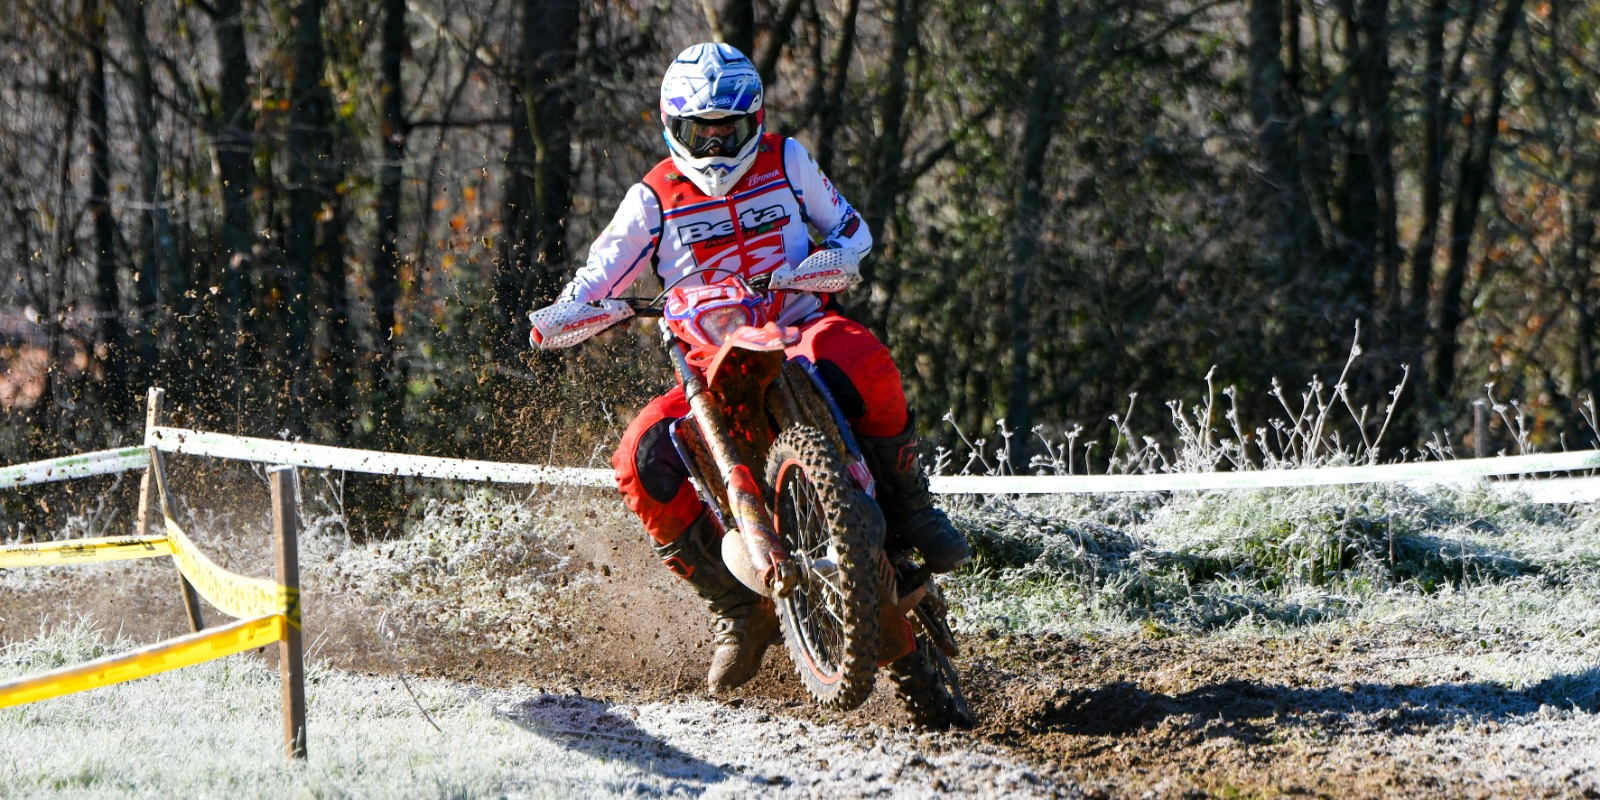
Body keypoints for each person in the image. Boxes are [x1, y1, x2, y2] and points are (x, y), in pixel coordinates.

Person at [545, 43, 970, 694]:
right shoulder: (651, 198)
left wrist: (819, 266)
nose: (716, 146)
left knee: (864, 358)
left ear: (756, 121)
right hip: (708, 361)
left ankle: (912, 508)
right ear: (672, 127)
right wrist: (563, 314)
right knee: (639, 456)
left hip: (798, 327)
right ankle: (739, 611)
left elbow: (852, 233)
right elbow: (596, 276)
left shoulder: (788, 160)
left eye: (730, 130)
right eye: (700, 132)